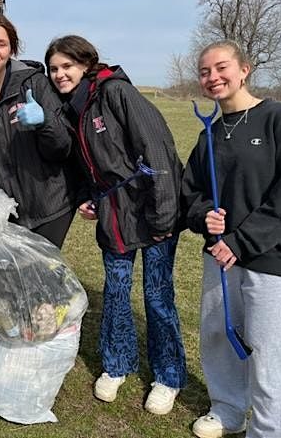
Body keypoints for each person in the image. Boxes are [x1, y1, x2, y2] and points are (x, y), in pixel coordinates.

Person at [44, 35, 187, 415]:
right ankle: (117, 364)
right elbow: (87, 165)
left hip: (153, 209)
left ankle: (168, 376)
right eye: (53, 69)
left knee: (157, 296)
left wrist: (163, 218)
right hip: (115, 214)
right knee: (117, 291)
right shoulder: (72, 109)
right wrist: (88, 196)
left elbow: (157, 149)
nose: (60, 74)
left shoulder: (116, 93)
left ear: (86, 64)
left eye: (67, 66)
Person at [182, 40, 281, 438]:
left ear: (244, 69)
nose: (212, 77)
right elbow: (191, 192)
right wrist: (203, 215)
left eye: (221, 67)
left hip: (273, 256)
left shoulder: (278, 118)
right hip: (219, 256)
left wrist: (240, 241)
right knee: (219, 335)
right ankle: (228, 409)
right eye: (204, 72)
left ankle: (271, 429)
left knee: (270, 350)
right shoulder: (209, 134)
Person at [0, 13, 75, 249]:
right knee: (15, 271)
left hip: (51, 206)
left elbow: (62, 148)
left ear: (11, 50)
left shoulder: (35, 84)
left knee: (41, 268)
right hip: (10, 212)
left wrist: (45, 122)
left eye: (1, 44)